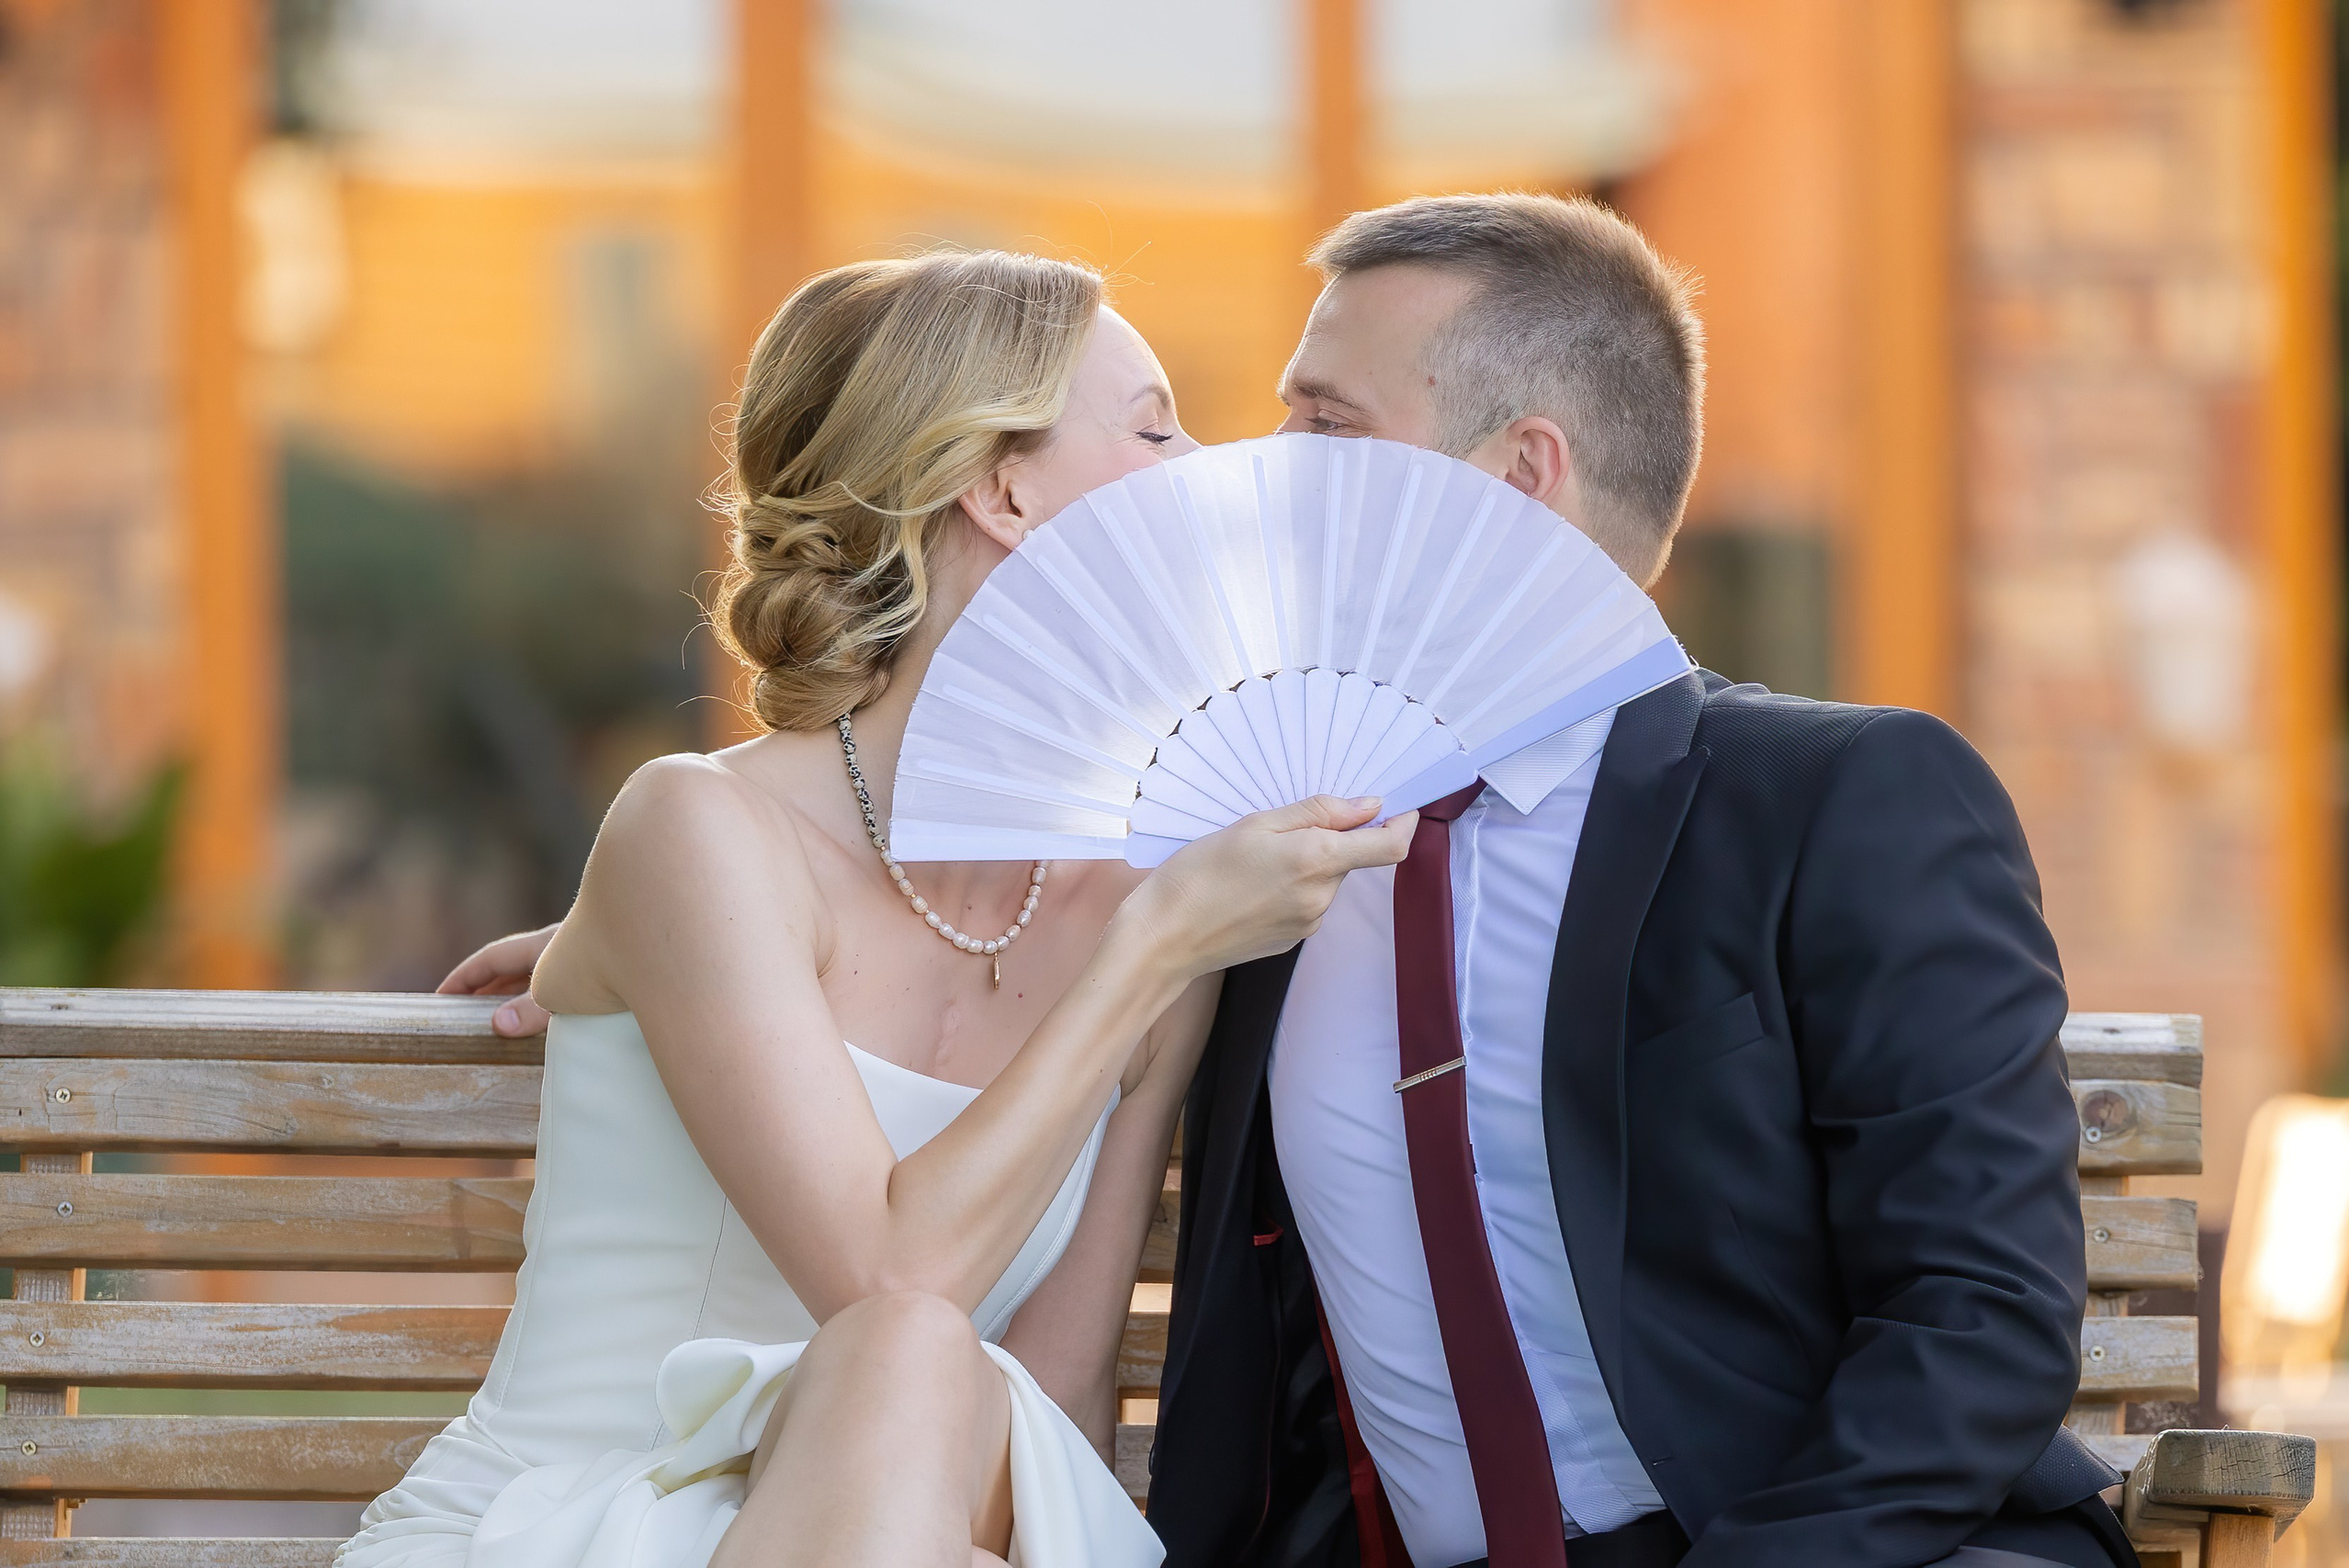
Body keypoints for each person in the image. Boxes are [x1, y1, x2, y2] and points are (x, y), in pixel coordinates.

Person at [345, 249, 1415, 1568]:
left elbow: (1057, 1393)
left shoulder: (1147, 898)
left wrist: (1155, 939)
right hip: (581, 1524)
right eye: (1152, 425)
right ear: (1003, 486)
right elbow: (890, 1283)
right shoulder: (706, 833)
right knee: (910, 1342)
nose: (1204, 465)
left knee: (941, 1388)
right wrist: (1150, 955)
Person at [1147, 193, 2132, 1568]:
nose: (1276, 467)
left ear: (1516, 473)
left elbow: (1976, 1314)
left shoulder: (1841, 803)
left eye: (1330, 424)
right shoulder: (1267, 856)